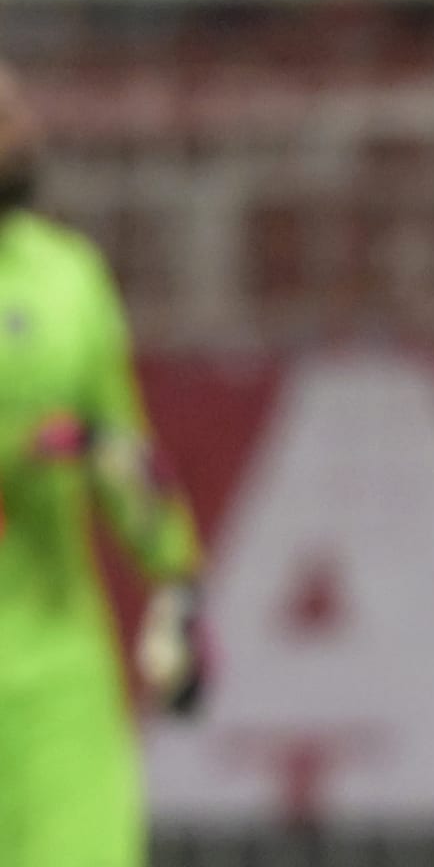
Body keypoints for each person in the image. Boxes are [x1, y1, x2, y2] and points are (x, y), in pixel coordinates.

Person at [0, 59, 208, 866]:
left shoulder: (67, 278)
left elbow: (124, 452)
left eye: (18, 108)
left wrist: (178, 584)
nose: (22, 128)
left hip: (59, 688)